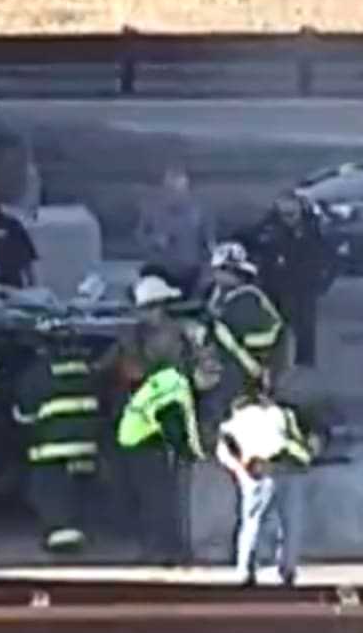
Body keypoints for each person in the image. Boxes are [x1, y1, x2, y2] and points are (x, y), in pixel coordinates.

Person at [115, 324, 205, 565]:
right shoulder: (171, 382)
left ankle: (160, 549)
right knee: (159, 501)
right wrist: (184, 450)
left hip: (138, 440)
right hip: (146, 443)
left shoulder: (160, 378)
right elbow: (171, 420)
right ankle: (164, 551)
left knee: (152, 500)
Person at [12, 320, 100, 553]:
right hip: (85, 448)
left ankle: (59, 536)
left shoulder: (38, 373)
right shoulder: (85, 369)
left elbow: (24, 416)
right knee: (77, 490)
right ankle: (75, 531)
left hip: (53, 449)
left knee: (48, 491)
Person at [214, 386, 315, 586]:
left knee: (253, 522)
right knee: (289, 523)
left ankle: (247, 570)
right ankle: (286, 569)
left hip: (259, 471)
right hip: (283, 467)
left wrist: (241, 470)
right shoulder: (279, 413)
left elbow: (224, 451)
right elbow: (298, 442)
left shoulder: (234, 421)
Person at [239, 192, 333, 367]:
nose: (287, 219)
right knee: (275, 323)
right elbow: (250, 241)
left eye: (291, 214)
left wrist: (322, 281)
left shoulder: (312, 227)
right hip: (275, 283)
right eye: (283, 215)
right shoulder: (269, 227)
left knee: (304, 324)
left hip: (303, 284)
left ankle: (304, 363)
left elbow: (326, 255)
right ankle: (274, 360)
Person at [202, 241, 287, 433]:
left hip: (253, 364)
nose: (217, 275)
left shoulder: (248, 299)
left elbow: (235, 340)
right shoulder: (218, 294)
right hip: (234, 360)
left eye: (223, 270)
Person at [135, 164, 215, 299]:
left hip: (190, 273)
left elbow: (208, 245)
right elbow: (140, 237)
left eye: (181, 189)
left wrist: (207, 273)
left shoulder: (200, 213)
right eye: (172, 189)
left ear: (187, 190)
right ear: (165, 189)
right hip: (161, 273)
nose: (177, 194)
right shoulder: (151, 211)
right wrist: (155, 241)